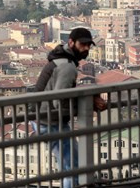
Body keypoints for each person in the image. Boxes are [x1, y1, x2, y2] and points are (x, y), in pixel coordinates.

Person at [32, 27, 107, 188]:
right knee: (72, 167)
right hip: (49, 122)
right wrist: (85, 104)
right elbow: (60, 99)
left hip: (46, 119)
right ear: (71, 42)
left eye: (89, 45)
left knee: (73, 164)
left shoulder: (61, 60)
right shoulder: (67, 66)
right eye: (83, 44)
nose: (86, 48)